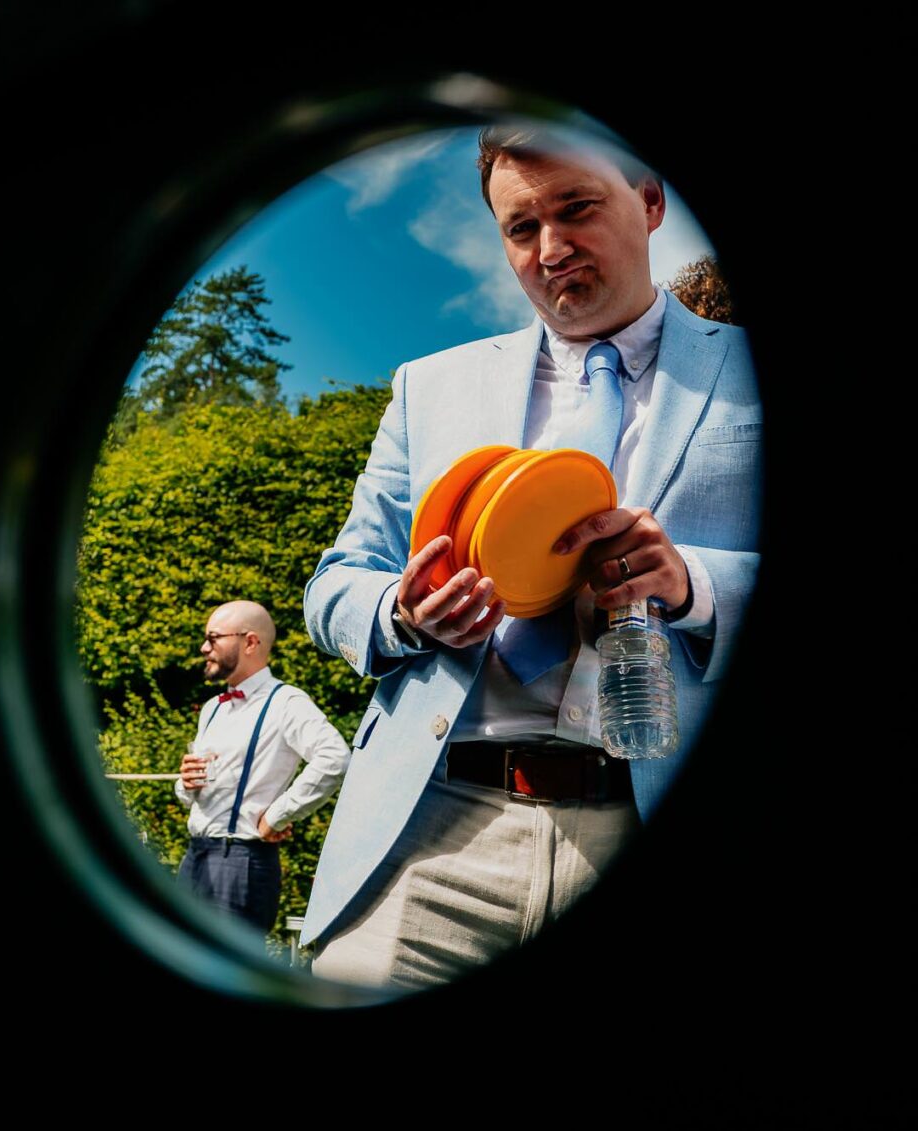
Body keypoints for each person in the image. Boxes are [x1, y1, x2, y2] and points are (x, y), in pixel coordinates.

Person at [300, 124, 761, 986]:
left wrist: (693, 581)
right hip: (429, 842)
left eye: (577, 207)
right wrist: (401, 612)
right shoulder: (428, 385)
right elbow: (332, 586)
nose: (552, 247)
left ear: (651, 201)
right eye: (521, 227)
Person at [174, 600, 351, 933]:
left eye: (213, 638)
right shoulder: (212, 708)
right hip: (195, 856)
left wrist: (277, 815)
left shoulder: (286, 702)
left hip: (241, 863)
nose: (204, 648)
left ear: (250, 642)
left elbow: (334, 757)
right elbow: (190, 795)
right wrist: (186, 783)